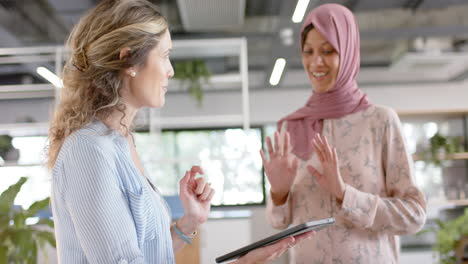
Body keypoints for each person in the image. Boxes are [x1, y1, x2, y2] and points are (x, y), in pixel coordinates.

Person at [47, 0, 314, 263]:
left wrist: (189, 222)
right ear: (128, 60)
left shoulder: (120, 143)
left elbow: (148, 253)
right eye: (164, 56)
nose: (171, 71)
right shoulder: (88, 150)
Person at [260, 3, 427, 264]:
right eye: (308, 51)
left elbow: (414, 215)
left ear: (348, 52)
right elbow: (278, 221)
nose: (316, 62)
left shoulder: (380, 121)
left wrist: (344, 194)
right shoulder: (290, 128)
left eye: (328, 51)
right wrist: (278, 193)